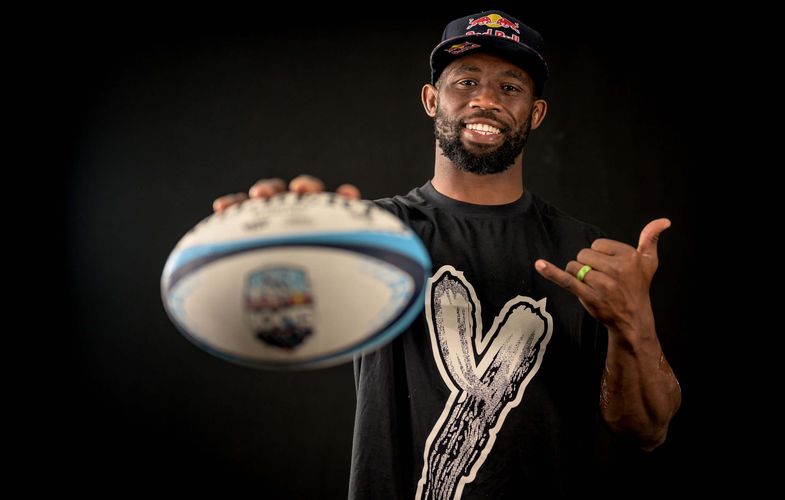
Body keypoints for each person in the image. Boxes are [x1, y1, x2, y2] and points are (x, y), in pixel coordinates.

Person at [213, 10, 681, 499]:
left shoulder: (584, 254)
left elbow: (648, 431)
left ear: (535, 114)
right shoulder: (377, 237)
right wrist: (260, 254)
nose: (485, 99)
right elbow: (279, 319)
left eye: (510, 88)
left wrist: (633, 326)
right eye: (466, 81)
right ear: (432, 99)